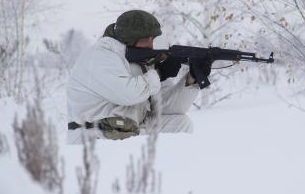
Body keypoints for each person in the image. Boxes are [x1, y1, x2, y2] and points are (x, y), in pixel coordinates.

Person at [66, 10, 211, 144]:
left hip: (126, 131)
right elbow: (128, 94)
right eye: (147, 38)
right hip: (94, 139)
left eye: (153, 38)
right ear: (130, 38)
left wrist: (192, 78)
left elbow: (166, 108)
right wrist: (159, 73)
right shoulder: (100, 56)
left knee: (181, 124)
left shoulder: (139, 62)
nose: (151, 43)